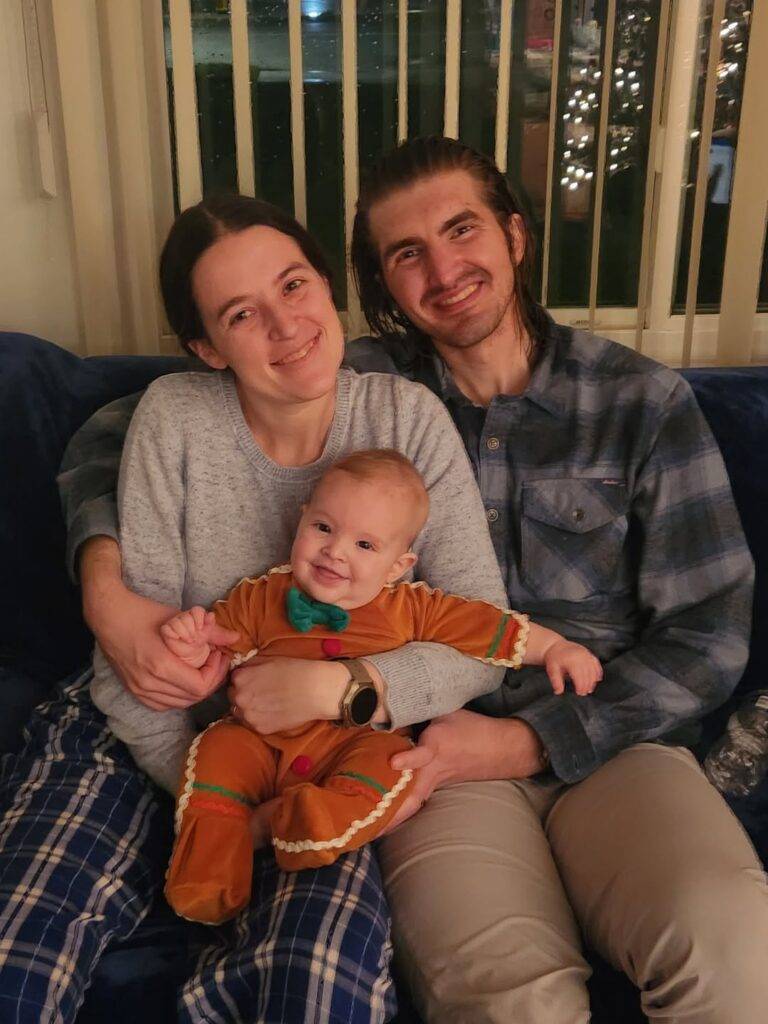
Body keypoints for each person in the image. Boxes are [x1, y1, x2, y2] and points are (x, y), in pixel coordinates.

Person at [0, 193, 512, 1024]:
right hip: (148, 734)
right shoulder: (173, 419)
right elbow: (138, 665)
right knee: (20, 944)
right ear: (206, 346)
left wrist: (350, 694)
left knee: (314, 982)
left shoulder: (406, 421)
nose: (286, 326)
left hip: (326, 756)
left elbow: (483, 635)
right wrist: (218, 806)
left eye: (295, 285)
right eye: (242, 314)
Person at [345, 136, 768, 1023]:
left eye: (462, 230)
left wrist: (533, 742)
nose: (445, 268)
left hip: (621, 747)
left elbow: (710, 629)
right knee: (510, 1002)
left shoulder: (640, 402)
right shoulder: (360, 397)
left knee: (733, 945)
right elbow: (133, 426)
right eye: (407, 253)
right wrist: (109, 582)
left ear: (514, 235)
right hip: (440, 759)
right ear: (385, 282)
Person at [152, 449, 600, 922]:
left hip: (352, 744)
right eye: (323, 528)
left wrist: (554, 649)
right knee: (220, 753)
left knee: (392, 766)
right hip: (260, 739)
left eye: (365, 546)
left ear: (397, 565)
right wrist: (193, 641)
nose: (335, 551)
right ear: (301, 522)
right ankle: (209, 874)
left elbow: (490, 629)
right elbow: (220, 642)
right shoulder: (263, 594)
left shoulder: (411, 607)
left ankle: (309, 823)